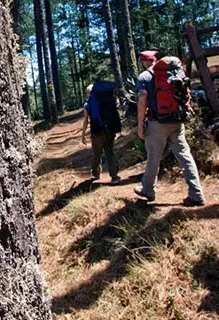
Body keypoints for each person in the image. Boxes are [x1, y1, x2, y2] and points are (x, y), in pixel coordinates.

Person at [133, 50, 206, 206]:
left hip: (157, 123)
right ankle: (197, 193)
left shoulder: (144, 77)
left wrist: (140, 125)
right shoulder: (173, 72)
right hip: (177, 120)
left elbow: (142, 100)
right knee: (185, 155)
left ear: (144, 62)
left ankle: (148, 191)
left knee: (154, 157)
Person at [81, 83, 121, 185]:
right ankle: (114, 177)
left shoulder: (88, 104)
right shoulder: (107, 100)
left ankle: (96, 174)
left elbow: (86, 120)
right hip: (110, 129)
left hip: (97, 132)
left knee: (97, 154)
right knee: (109, 152)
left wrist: (83, 134)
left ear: (88, 93)